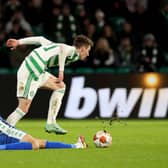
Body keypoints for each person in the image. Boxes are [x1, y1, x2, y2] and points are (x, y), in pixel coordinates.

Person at [5, 35, 93, 134]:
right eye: (88, 50)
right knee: (23, 108)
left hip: (38, 69)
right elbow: (63, 49)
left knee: (60, 87)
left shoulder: (55, 47)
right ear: (82, 49)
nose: (88, 54)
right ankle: (3, 133)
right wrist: (61, 71)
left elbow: (40, 39)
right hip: (32, 68)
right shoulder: (71, 50)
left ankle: (51, 123)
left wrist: (19, 42)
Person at [0, 115, 87, 150]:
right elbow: (7, 129)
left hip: (5, 134)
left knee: (40, 143)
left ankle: (75, 146)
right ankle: (76, 146)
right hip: (6, 134)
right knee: (35, 143)